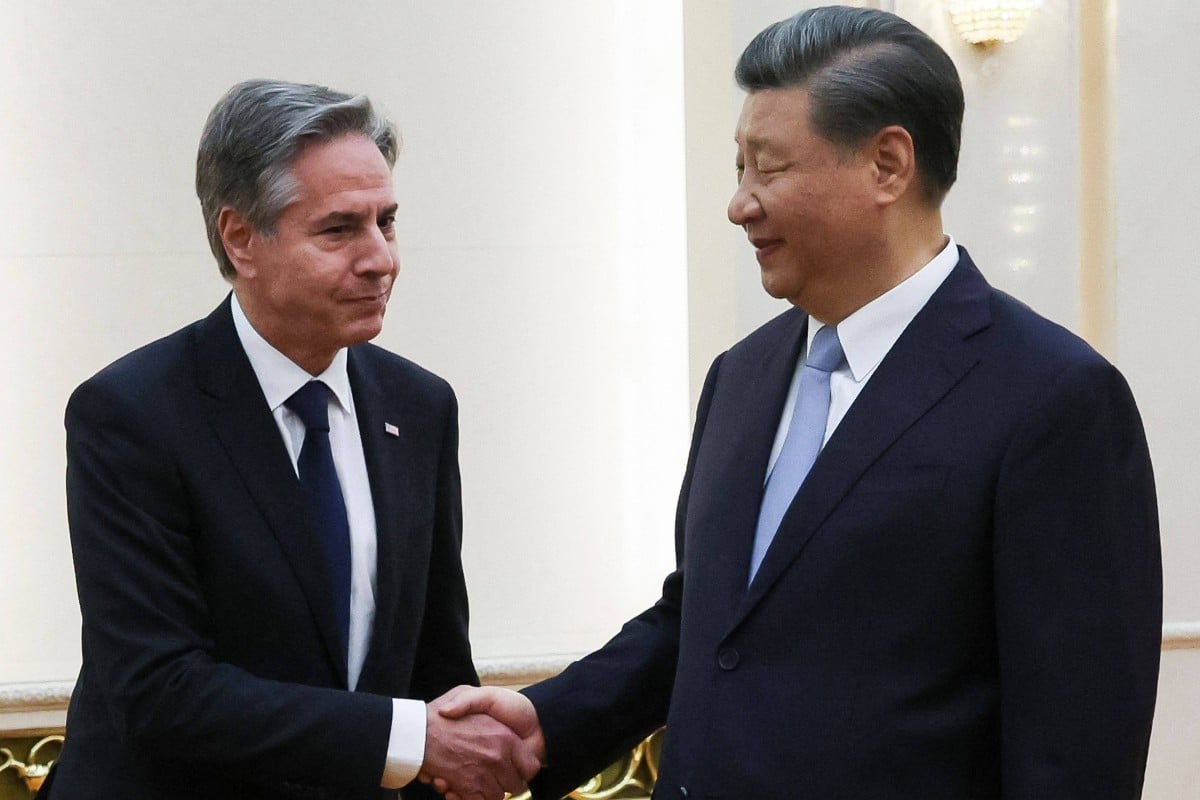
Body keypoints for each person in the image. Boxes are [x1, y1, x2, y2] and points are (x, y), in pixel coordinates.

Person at [433, 7, 1163, 799]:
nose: (739, 203)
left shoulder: (1053, 398)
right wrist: (550, 720)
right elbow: (709, 622)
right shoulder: (740, 376)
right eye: (737, 168)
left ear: (888, 165)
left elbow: (1076, 744)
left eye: (768, 168)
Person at [44, 79, 539, 800]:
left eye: (388, 222)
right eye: (339, 230)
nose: (381, 259)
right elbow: (159, 689)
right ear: (241, 238)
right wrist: (409, 741)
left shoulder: (419, 407)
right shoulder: (131, 415)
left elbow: (436, 661)